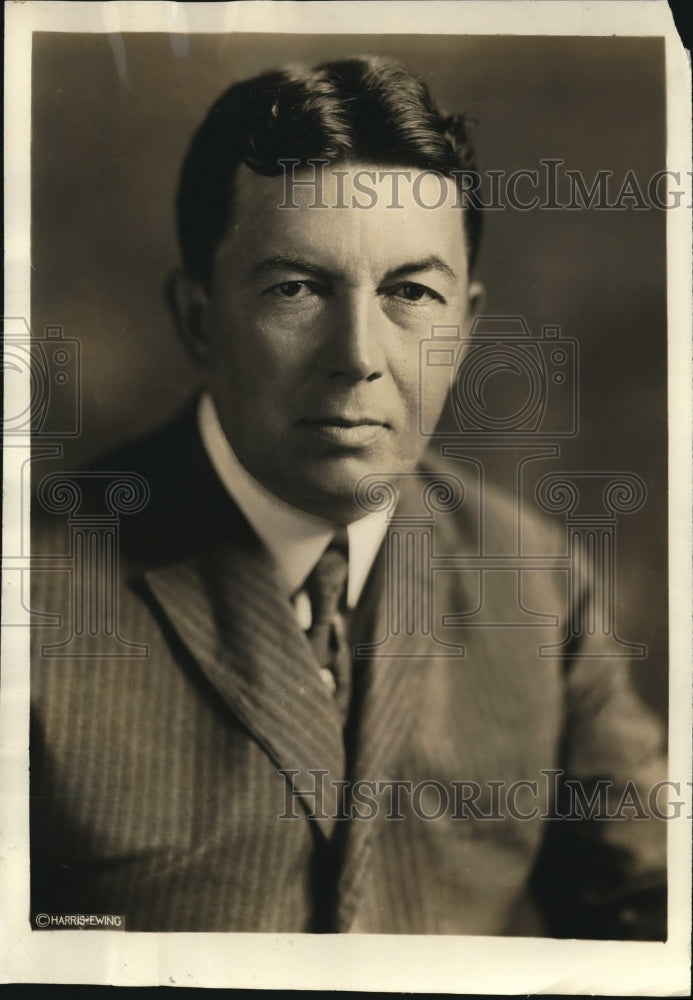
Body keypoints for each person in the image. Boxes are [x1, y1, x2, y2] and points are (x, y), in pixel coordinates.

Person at [30, 55, 667, 937]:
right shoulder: (29, 590)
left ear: (466, 326)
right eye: (295, 288)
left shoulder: (539, 579)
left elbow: (658, 918)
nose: (357, 354)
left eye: (410, 292)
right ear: (199, 319)